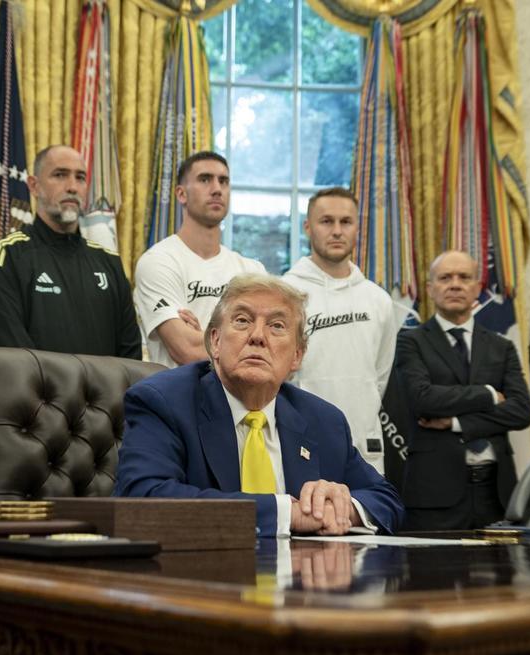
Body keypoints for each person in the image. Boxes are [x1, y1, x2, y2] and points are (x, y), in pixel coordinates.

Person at [114, 274, 404, 537]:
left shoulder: (323, 420)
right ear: (214, 342)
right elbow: (143, 497)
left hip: (302, 587)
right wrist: (284, 513)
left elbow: (385, 499)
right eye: (242, 320)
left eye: (277, 326)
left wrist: (343, 507)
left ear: (297, 357)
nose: (257, 336)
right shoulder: (163, 401)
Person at [395, 251, 530, 530]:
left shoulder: (501, 346)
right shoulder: (411, 342)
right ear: (431, 289)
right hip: (434, 495)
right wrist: (489, 395)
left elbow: (520, 411)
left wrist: (457, 422)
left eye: (464, 277)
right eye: (445, 278)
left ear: (478, 288)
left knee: (502, 571)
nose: (455, 284)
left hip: (497, 493)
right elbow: (423, 400)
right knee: (436, 573)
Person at [0, 144, 139, 358]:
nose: (72, 187)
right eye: (60, 175)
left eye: (80, 177)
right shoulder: (8, 256)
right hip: (35, 391)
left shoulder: (108, 262)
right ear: (34, 186)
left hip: (106, 392)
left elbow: (130, 354)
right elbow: (13, 357)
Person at [283, 187, 398, 474]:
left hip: (365, 446)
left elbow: (380, 376)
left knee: (365, 517)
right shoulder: (285, 294)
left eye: (345, 222)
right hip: (301, 443)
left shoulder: (378, 300)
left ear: (357, 228)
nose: (337, 231)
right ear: (308, 227)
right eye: (326, 221)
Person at [134, 151, 266, 368]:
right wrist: (246, 335)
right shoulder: (158, 261)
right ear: (181, 194)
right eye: (205, 180)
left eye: (223, 181)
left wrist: (204, 334)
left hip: (242, 400)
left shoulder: (252, 270)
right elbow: (187, 349)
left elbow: (273, 345)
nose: (216, 189)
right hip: (180, 399)